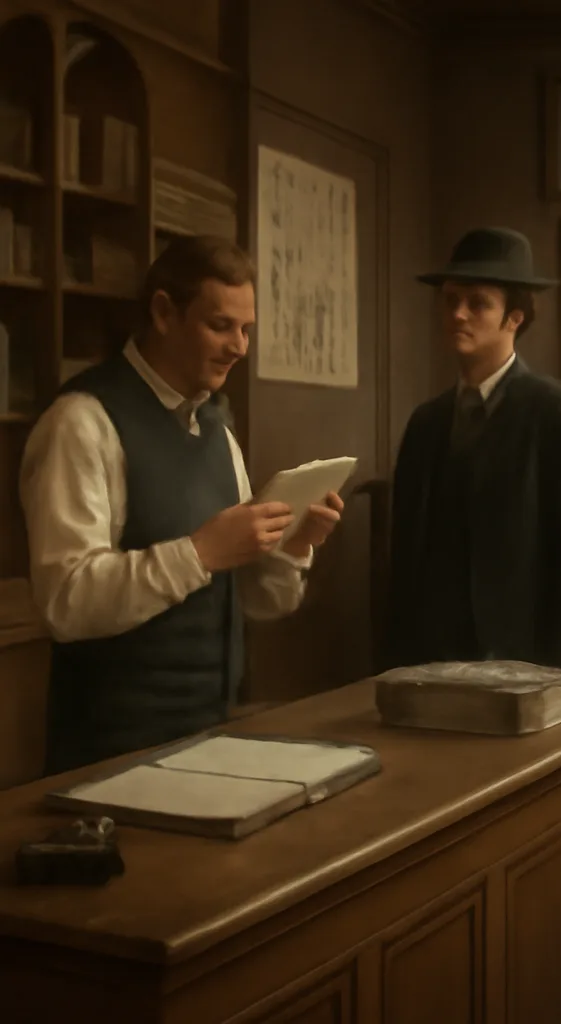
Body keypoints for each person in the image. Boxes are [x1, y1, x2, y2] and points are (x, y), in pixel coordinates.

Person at [20, 235, 344, 774]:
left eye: (246, 330)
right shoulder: (81, 421)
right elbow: (66, 601)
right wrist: (198, 553)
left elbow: (253, 604)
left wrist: (293, 547)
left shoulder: (218, 432)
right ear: (164, 313)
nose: (240, 347)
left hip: (213, 736)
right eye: (221, 326)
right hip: (111, 758)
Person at [387, 226, 561, 670]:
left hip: (524, 660)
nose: (459, 314)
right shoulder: (427, 423)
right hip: (432, 662)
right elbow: (404, 560)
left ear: (515, 317)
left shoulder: (558, 414)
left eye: (478, 303)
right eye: (450, 300)